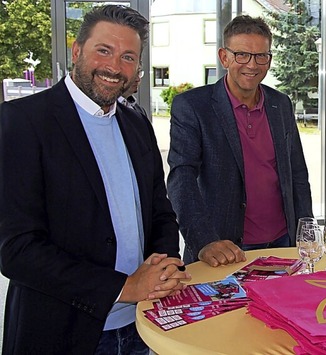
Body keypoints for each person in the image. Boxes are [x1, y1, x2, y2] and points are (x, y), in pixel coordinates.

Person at [0, 5, 190, 354]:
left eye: (128, 57)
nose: (115, 67)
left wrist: (163, 269)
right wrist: (123, 288)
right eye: (104, 50)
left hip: (140, 326)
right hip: (62, 333)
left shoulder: (137, 123)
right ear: (76, 50)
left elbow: (160, 212)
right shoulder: (23, 122)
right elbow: (17, 250)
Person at [167, 15, 313, 267]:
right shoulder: (192, 106)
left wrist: (306, 230)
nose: (252, 65)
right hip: (225, 246)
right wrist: (203, 241)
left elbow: (297, 173)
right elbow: (182, 178)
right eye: (242, 55)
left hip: (283, 241)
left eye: (261, 56)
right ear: (224, 57)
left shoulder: (281, 103)